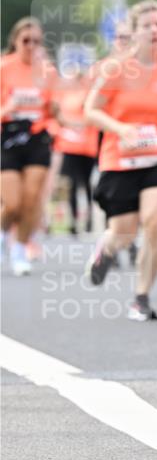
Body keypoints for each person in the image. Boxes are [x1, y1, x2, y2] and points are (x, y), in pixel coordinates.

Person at [84, 0, 157, 321]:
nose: (154, 30)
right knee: (124, 232)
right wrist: (121, 129)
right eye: (147, 25)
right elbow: (91, 110)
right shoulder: (116, 69)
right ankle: (107, 249)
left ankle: (141, 297)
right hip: (120, 161)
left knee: (155, 225)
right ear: (134, 31)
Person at [1, 18, 61, 275]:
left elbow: (55, 109)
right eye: (26, 40)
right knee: (12, 203)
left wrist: (59, 112)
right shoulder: (4, 67)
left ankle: (19, 249)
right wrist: (8, 108)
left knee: (31, 201)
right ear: (15, 41)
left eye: (36, 41)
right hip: (9, 138)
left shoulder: (47, 72)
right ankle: (3, 234)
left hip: (37, 138)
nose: (31, 46)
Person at [53, 65, 99, 234]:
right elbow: (57, 115)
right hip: (68, 146)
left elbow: (92, 117)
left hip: (86, 146)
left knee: (86, 184)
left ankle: (89, 219)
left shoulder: (87, 94)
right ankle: (72, 221)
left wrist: (76, 124)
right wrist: (66, 122)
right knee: (69, 184)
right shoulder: (63, 95)